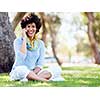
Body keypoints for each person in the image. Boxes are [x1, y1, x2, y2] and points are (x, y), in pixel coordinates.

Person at [10, 13, 64, 82]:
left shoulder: (40, 44)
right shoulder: (17, 41)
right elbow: (20, 59)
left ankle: (31, 78)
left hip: (34, 72)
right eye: (28, 26)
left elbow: (40, 64)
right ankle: (44, 80)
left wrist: (32, 74)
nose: (31, 29)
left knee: (57, 69)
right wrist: (24, 39)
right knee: (22, 69)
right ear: (24, 28)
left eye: (33, 26)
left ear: (36, 28)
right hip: (19, 70)